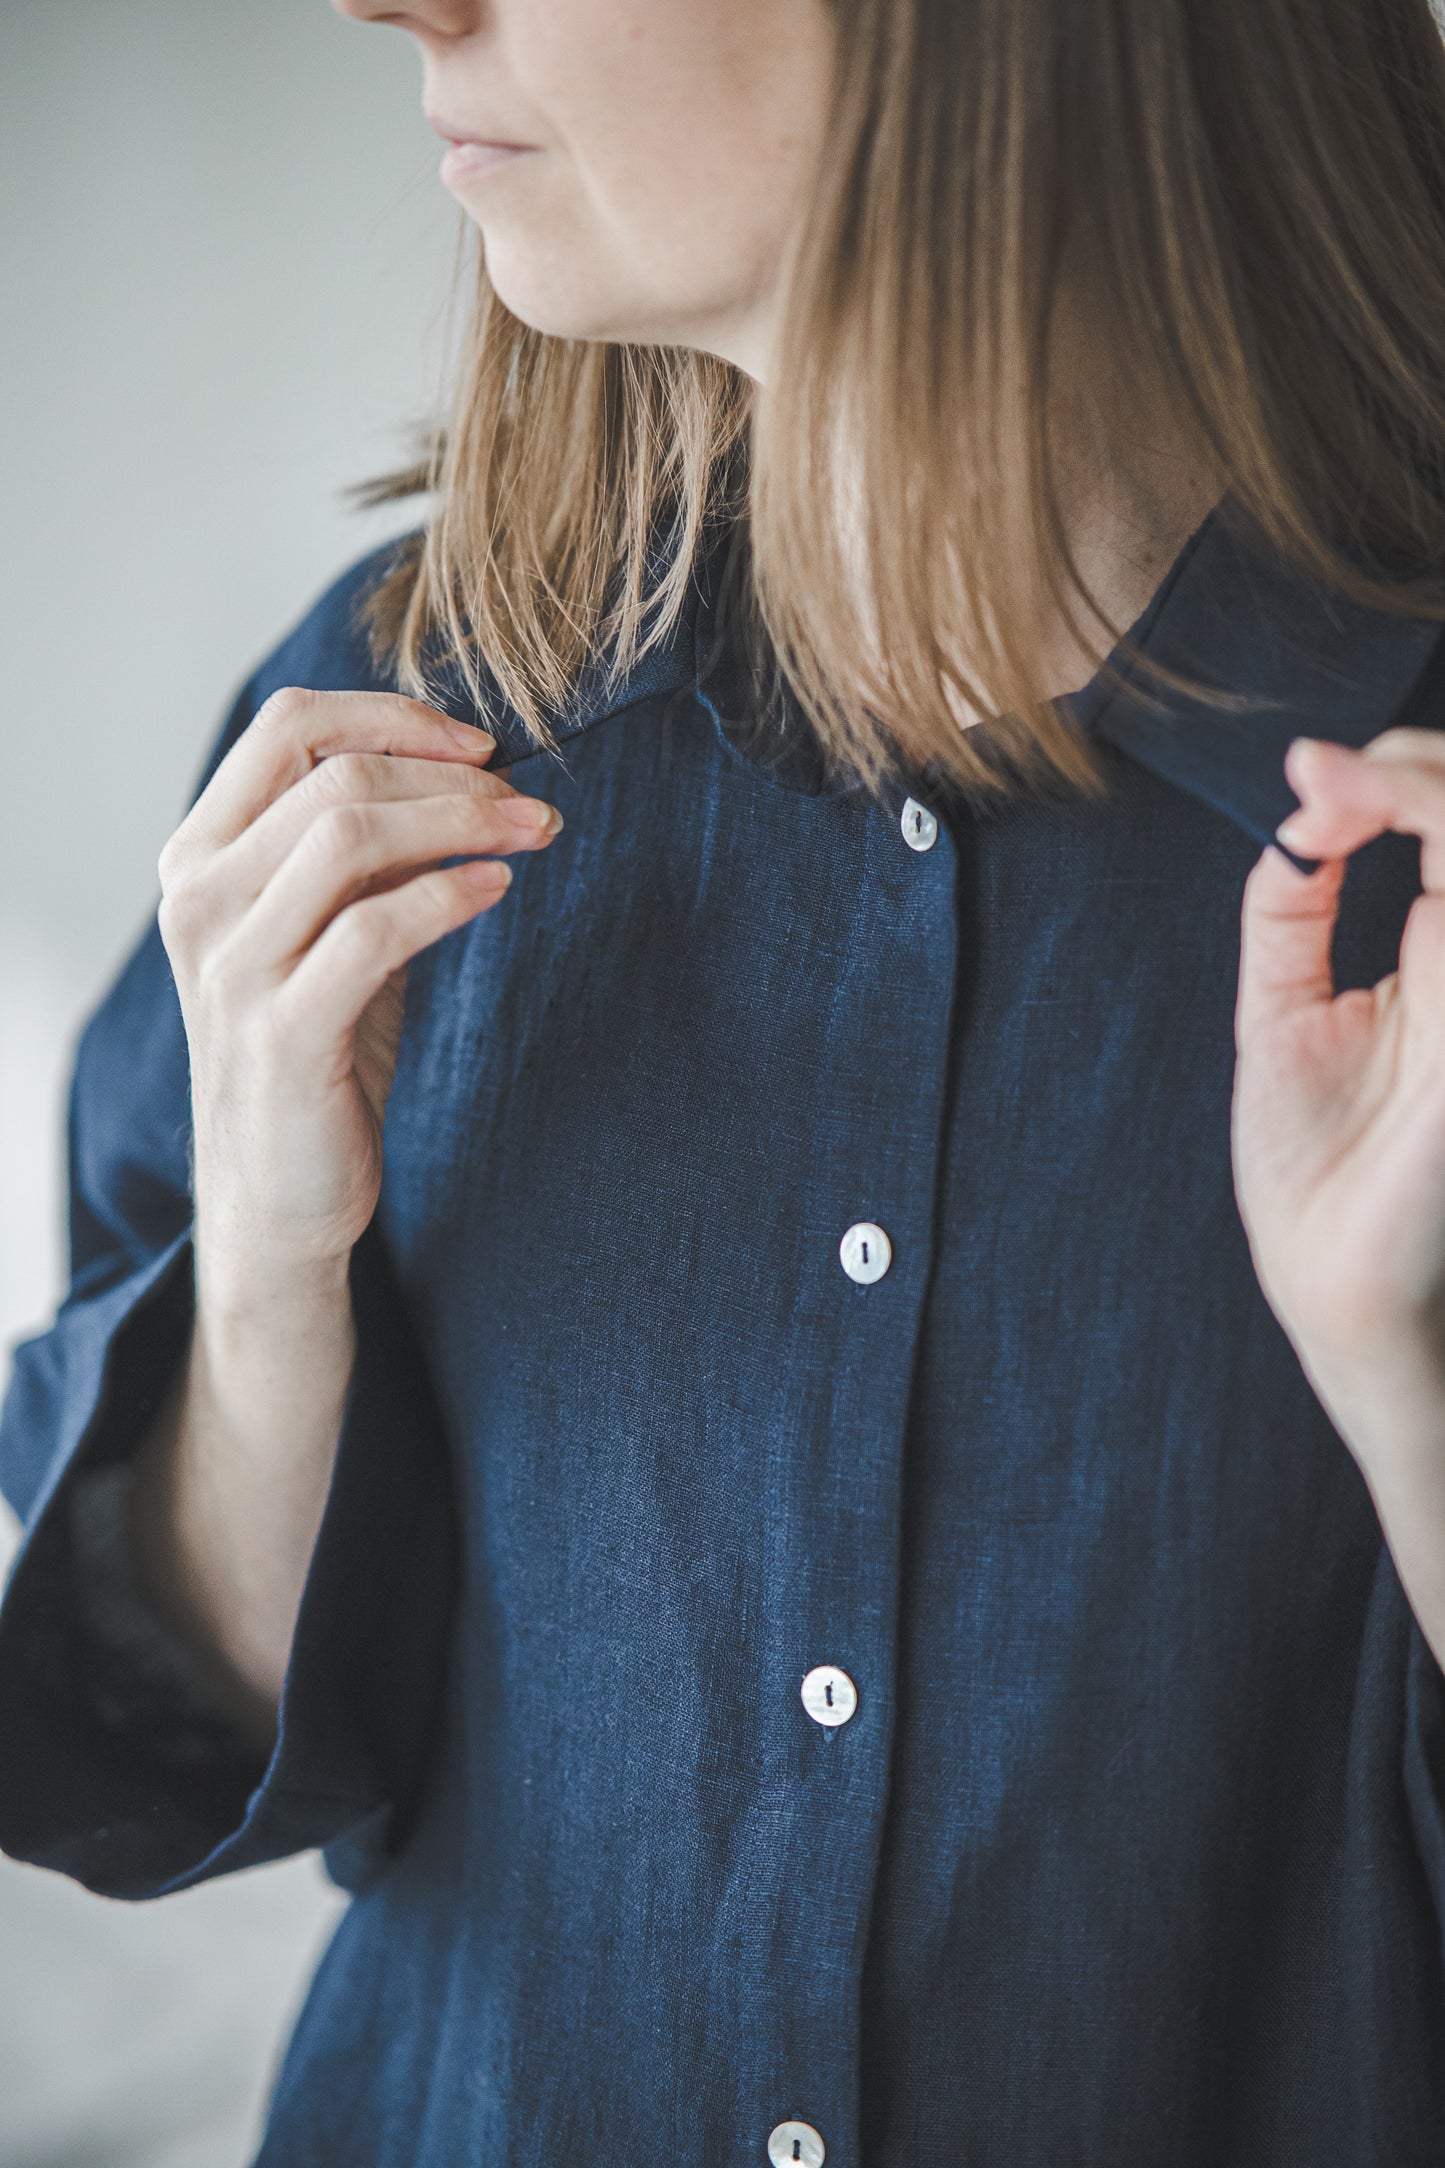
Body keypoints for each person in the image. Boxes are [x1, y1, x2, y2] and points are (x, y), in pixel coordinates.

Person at [3, 0, 1445, 2159]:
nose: (393, 2)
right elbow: (164, 1726)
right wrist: (273, 1279)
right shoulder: (373, 718)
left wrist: (1398, 1364)